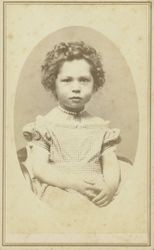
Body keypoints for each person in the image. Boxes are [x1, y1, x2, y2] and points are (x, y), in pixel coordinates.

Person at [22, 41, 122, 208]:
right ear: (53, 83)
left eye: (83, 80)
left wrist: (110, 188)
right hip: (61, 191)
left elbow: (111, 164)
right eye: (67, 80)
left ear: (95, 83)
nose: (76, 88)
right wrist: (74, 184)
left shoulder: (100, 127)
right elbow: (39, 167)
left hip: (98, 192)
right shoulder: (46, 125)